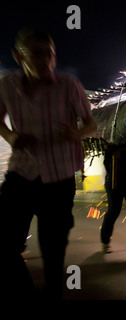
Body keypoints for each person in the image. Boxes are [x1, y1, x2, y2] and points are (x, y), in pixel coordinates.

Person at [0, 27, 97, 299]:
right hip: (21, 174)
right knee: (6, 242)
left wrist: (74, 133)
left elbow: (90, 124)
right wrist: (10, 135)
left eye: (50, 54)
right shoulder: (6, 86)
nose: (45, 60)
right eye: (37, 54)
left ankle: (53, 292)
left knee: (53, 249)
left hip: (59, 178)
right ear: (19, 57)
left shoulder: (69, 86)